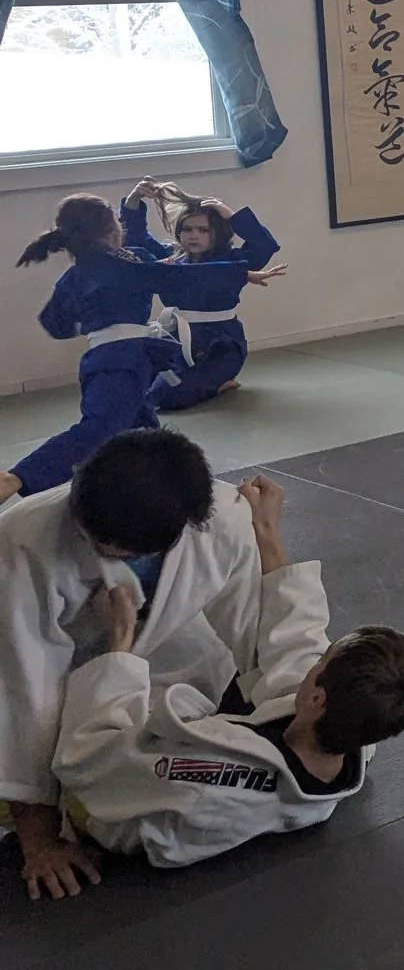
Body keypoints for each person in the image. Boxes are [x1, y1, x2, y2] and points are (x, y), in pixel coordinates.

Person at [49, 473, 404, 869]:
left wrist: (121, 644)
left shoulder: (214, 770)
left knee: (59, 685)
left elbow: (86, 761)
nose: (315, 659)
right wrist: (265, 529)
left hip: (102, 814)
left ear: (317, 699)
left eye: (322, 663)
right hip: (186, 772)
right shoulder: (356, 737)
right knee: (206, 643)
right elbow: (300, 639)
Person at [1, 429, 267, 900]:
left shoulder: (225, 520)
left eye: (114, 550)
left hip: (157, 662)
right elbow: (25, 689)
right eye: (88, 536)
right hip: (33, 670)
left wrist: (293, 726)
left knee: (156, 785)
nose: (95, 549)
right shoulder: (22, 543)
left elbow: (252, 629)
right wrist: (39, 841)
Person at [2, 192, 258, 504]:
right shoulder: (129, 262)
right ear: (112, 231)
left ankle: (171, 488)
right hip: (123, 361)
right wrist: (240, 273)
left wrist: (96, 320)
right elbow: (174, 275)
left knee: (144, 430)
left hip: (106, 356)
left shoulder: (74, 276)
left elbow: (54, 323)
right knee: (100, 428)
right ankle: (17, 477)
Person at [117, 177, 287, 412]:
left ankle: (217, 382)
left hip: (219, 348)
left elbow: (264, 245)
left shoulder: (232, 260)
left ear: (216, 233)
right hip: (174, 339)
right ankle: (203, 383)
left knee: (162, 396)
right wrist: (134, 201)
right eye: (187, 229)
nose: (193, 235)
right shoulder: (172, 258)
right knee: (127, 384)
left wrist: (229, 215)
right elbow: (135, 238)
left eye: (203, 230)